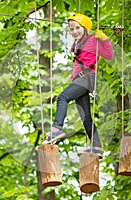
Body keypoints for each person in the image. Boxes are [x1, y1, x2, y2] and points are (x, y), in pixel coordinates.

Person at [42, 13, 114, 158]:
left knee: (62, 98)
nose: (74, 31)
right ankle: (97, 146)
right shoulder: (78, 43)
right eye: (72, 29)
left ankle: (57, 129)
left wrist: (105, 39)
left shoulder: (93, 39)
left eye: (77, 28)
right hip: (81, 79)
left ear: (85, 28)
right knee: (86, 117)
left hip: (87, 78)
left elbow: (109, 55)